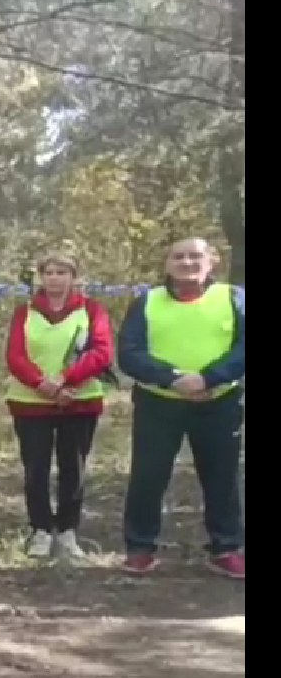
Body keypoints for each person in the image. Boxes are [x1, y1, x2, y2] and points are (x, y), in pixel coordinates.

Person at [116, 237, 245, 578]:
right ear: (167, 263)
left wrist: (209, 378)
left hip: (218, 402)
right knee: (148, 476)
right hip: (159, 403)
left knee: (223, 478)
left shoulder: (233, 298)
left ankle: (226, 547)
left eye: (195, 256)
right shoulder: (147, 302)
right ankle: (140, 547)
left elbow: (242, 348)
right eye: (178, 256)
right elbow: (129, 353)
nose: (187, 262)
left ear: (212, 260)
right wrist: (171, 379)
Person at [4, 253, 114, 561]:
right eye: (48, 272)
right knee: (35, 469)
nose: (54, 278)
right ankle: (40, 529)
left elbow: (101, 353)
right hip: (31, 403)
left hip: (78, 402)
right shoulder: (24, 312)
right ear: (40, 277)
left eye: (61, 272)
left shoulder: (91, 310)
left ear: (73, 277)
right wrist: (42, 384)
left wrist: (66, 380)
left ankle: (67, 531)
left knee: (73, 469)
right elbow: (15, 355)